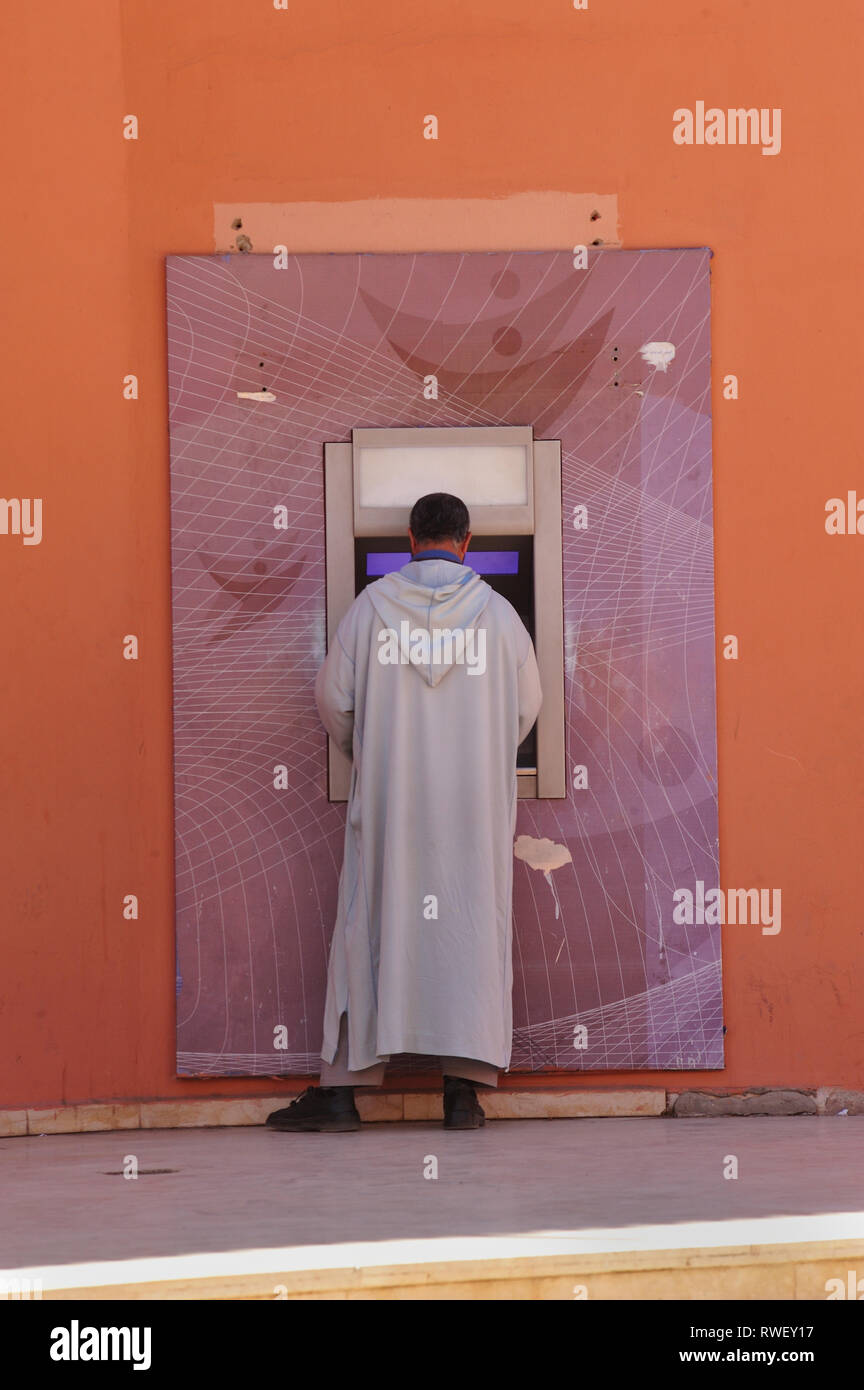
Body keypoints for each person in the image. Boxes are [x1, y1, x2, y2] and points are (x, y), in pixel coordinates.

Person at [266, 492, 542, 1133]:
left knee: (371, 926)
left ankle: (343, 1093)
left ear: (411, 541)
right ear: (467, 543)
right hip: (471, 815)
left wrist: (371, 748)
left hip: (392, 810)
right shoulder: (500, 618)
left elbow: (334, 702)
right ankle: (463, 1095)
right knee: (470, 933)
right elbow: (526, 708)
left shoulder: (370, 610)